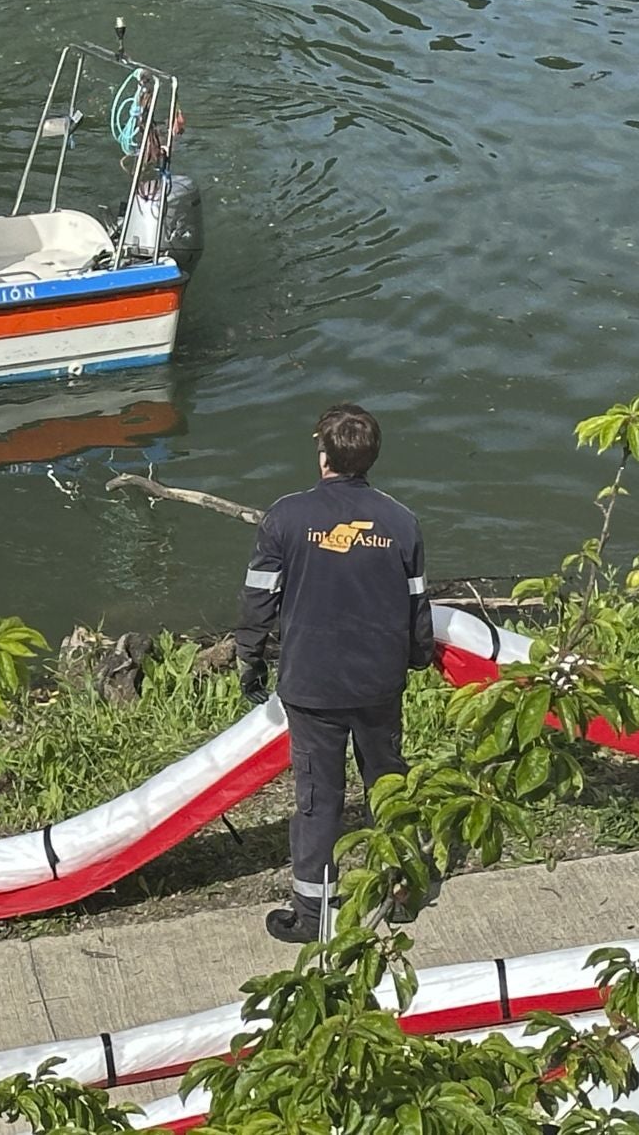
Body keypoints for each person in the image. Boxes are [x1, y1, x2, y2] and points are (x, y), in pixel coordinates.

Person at [233, 404, 435, 944]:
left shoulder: (286, 516)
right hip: (378, 684)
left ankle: (313, 913)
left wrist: (249, 658)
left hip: (312, 686)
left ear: (324, 456)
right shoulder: (401, 521)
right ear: (370, 458)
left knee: (319, 797)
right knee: (387, 783)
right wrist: (415, 659)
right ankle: (402, 891)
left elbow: (258, 599)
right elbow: (419, 609)